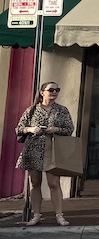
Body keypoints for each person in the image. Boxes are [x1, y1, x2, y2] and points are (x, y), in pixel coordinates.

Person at [14, 82, 75, 227]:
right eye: (51, 90)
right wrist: (31, 129)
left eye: (57, 90)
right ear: (42, 92)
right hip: (33, 149)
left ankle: (59, 215)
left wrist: (55, 129)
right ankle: (36, 215)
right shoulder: (31, 110)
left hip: (53, 149)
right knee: (34, 183)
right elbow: (19, 129)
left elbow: (69, 128)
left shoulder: (62, 110)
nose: (54, 92)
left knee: (54, 183)